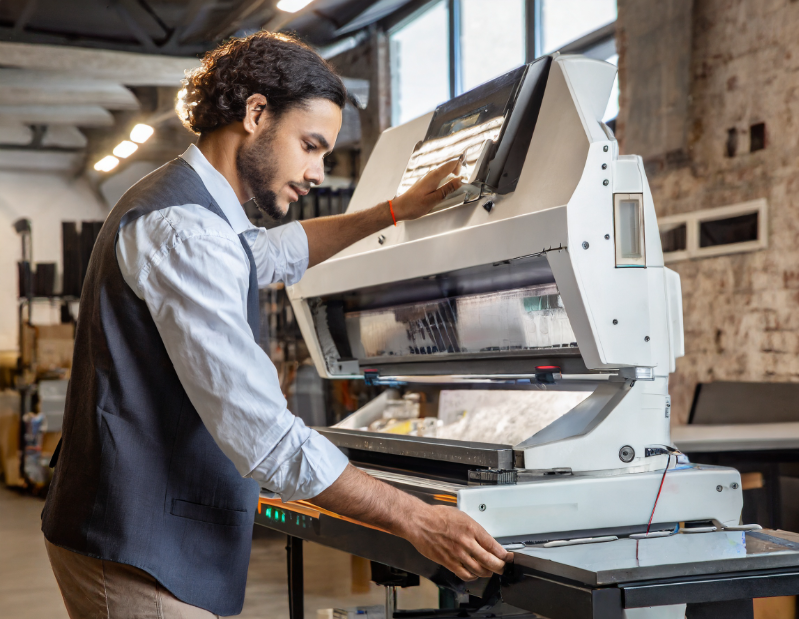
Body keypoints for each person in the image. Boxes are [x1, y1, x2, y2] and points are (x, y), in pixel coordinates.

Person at [41, 31, 512, 618]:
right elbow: (265, 437)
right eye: (311, 145)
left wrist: (392, 212)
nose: (317, 170)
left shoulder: (202, 215)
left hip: (142, 534)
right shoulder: (185, 230)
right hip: (136, 550)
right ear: (256, 113)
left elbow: (276, 252)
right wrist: (417, 518)